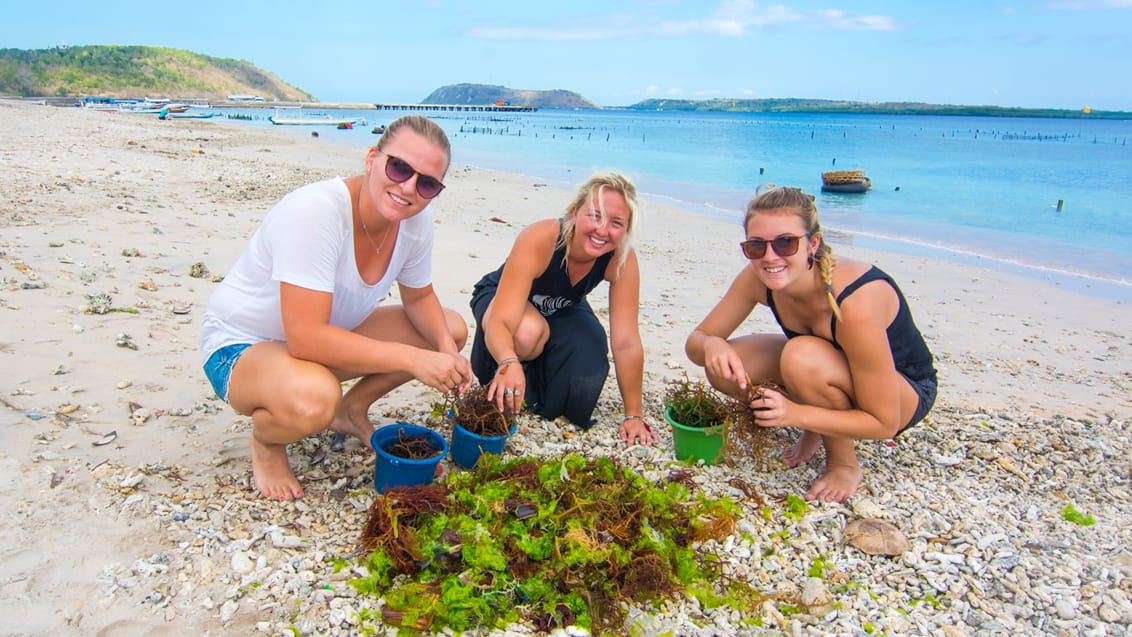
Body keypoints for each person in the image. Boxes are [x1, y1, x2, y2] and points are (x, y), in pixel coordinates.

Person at [200, 115, 472, 500]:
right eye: (398, 168)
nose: (408, 187)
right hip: (240, 346)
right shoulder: (316, 212)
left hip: (319, 336)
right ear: (372, 158)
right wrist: (413, 360)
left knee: (451, 328)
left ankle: (351, 410)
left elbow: (419, 297)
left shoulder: (415, 221)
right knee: (315, 398)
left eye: (426, 183)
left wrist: (446, 352)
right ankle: (267, 443)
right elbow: (306, 338)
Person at [685, 185, 936, 502]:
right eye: (756, 246)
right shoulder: (757, 277)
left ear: (812, 244)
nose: (770, 257)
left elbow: (884, 422)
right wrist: (712, 345)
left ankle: (844, 463)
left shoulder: (854, 301)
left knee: (802, 356)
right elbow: (695, 343)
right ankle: (818, 424)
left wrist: (794, 414)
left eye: (785, 243)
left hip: (902, 392)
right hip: (826, 368)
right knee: (726, 366)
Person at [469, 173, 658, 447]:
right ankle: (503, 381)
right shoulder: (541, 237)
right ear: (574, 213)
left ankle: (536, 394)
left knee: (590, 348)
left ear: (626, 230)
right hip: (504, 300)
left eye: (616, 223)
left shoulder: (621, 259)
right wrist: (508, 361)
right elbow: (501, 321)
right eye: (595, 216)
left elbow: (626, 342)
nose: (603, 230)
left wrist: (634, 415)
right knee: (526, 334)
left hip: (560, 305)